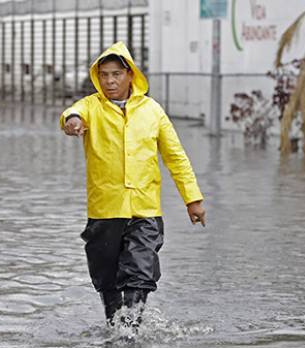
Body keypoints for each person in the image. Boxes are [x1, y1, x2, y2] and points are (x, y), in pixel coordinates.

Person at [60, 41, 206, 325]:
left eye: (116, 74)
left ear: (130, 75)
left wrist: (193, 200)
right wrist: (72, 121)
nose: (110, 81)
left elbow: (175, 157)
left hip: (145, 210)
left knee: (140, 272)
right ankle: (115, 332)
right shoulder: (91, 106)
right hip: (105, 211)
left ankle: (132, 331)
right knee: (107, 279)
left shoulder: (152, 111)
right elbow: (71, 113)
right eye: (103, 75)